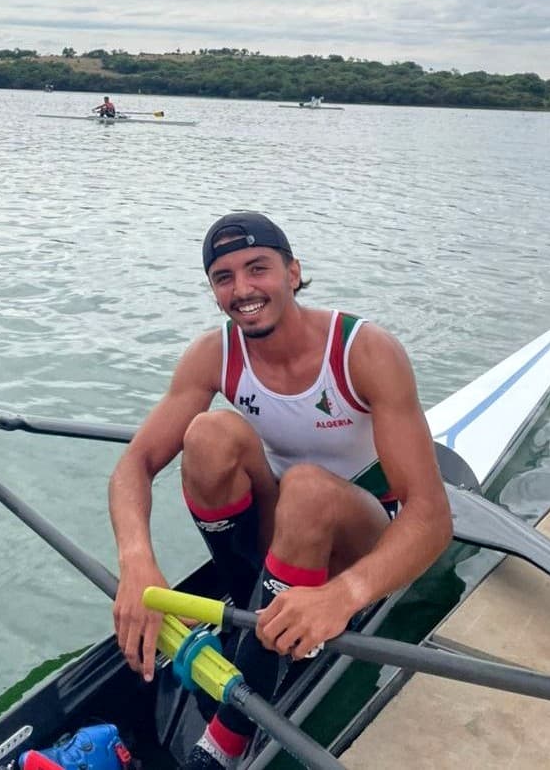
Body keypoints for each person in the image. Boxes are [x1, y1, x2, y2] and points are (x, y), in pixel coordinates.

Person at [108, 211, 452, 769]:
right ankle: (259, 606)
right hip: (286, 525)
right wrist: (136, 562)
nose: (242, 290)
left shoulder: (364, 350)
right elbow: (134, 465)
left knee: (308, 488)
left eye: (257, 269)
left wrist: (346, 595)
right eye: (223, 277)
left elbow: (432, 516)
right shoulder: (212, 354)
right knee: (207, 435)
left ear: (293, 273)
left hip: (361, 534)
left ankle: (231, 732)